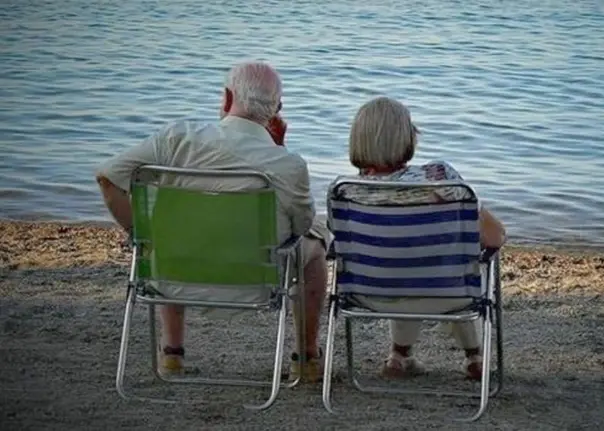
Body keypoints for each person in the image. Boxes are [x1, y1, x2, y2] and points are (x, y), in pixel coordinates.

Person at [95, 61, 329, 382]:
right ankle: (306, 358)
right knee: (315, 244)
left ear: (227, 97)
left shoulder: (176, 138)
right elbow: (300, 226)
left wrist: (142, 237)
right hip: (254, 284)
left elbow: (108, 178)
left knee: (171, 233)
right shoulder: (287, 163)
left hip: (174, 275)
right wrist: (278, 150)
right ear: (277, 110)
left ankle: (172, 355)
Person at [337, 96, 506, 381]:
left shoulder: (346, 192)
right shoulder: (441, 178)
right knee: (448, 262)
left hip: (369, 295)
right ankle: (475, 356)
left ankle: (398, 357)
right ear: (406, 137)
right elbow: (494, 237)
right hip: (447, 295)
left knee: (399, 260)